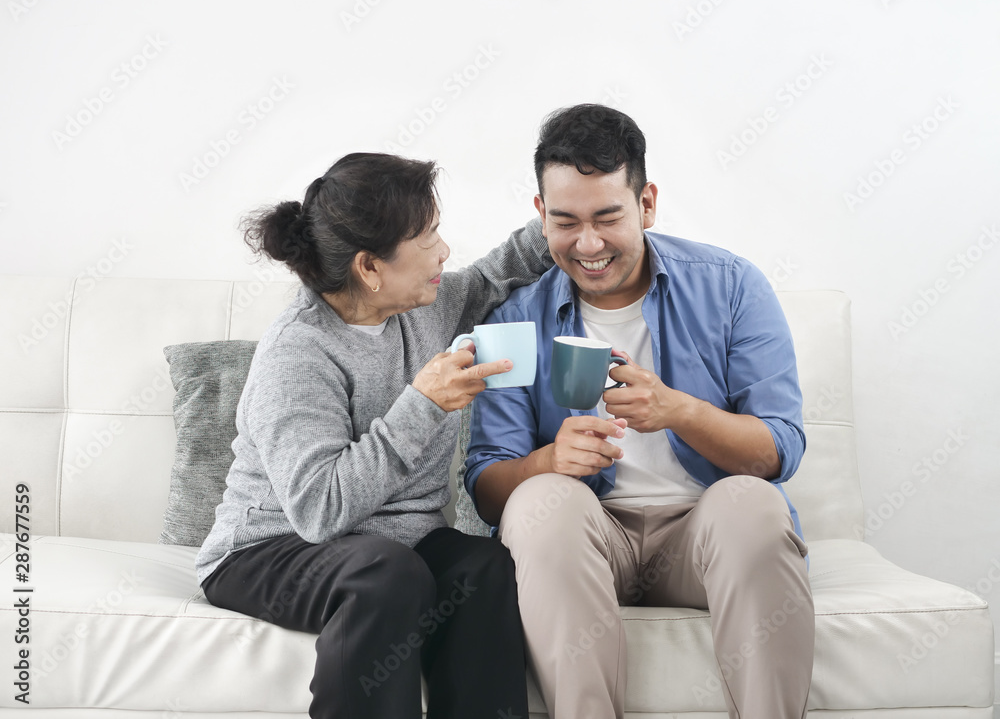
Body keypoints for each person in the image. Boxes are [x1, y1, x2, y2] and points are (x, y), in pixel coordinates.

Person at [464, 105, 814, 719]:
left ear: (646, 204)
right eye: (566, 222)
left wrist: (681, 412)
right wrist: (550, 460)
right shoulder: (514, 318)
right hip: (588, 535)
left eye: (608, 217)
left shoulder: (731, 285)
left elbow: (777, 451)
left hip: (703, 532)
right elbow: (491, 490)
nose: (589, 244)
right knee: (539, 502)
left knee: (752, 503)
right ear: (541, 215)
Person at [195, 152, 552, 719]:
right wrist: (423, 403)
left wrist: (566, 213)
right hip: (267, 550)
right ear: (370, 267)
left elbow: (495, 273)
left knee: (483, 566)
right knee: (386, 574)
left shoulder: (425, 306)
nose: (444, 250)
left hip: (393, 547)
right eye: (429, 235)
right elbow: (318, 511)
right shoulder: (299, 350)